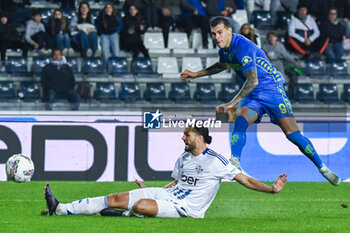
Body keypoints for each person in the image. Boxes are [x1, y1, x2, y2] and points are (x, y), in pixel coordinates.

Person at [179, 16, 341, 186]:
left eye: (220, 33)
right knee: (240, 120)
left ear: (229, 31)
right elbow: (222, 65)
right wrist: (196, 74)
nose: (217, 37)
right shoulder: (224, 51)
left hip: (272, 91)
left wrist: (231, 103)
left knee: (293, 136)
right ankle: (234, 162)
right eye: (213, 34)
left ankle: (322, 168)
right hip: (254, 96)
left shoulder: (244, 47)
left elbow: (252, 81)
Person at [44, 124, 287, 218]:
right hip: (167, 195)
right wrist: (152, 189)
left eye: (187, 135)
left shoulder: (217, 161)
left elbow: (244, 180)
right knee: (117, 198)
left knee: (139, 206)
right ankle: (61, 209)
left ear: (200, 138)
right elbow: (177, 182)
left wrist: (271, 189)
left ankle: (126, 215)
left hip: (186, 209)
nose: (183, 137)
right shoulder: (183, 157)